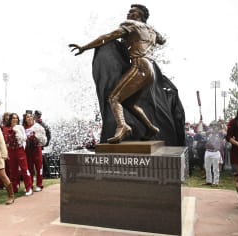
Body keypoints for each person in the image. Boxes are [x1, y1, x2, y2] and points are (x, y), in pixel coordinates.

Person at [69, 4, 166, 144]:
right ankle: (150, 128)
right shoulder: (152, 31)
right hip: (151, 72)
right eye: (129, 12)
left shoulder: (131, 25)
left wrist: (85, 47)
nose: (128, 14)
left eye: (132, 12)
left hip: (140, 65)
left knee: (114, 98)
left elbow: (108, 37)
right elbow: (162, 40)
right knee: (129, 103)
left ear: (139, 16)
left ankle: (123, 126)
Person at [6, 113, 33, 196]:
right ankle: (15, 187)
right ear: (10, 119)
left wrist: (18, 134)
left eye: (16, 118)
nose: (15, 119)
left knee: (24, 169)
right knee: (13, 171)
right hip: (10, 151)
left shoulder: (20, 127)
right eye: (13, 118)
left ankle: (29, 187)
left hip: (19, 150)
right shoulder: (6, 128)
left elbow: (24, 138)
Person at [24, 113, 47, 192]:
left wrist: (37, 140)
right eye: (27, 117)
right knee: (29, 168)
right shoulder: (23, 127)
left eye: (30, 116)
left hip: (37, 149)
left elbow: (43, 139)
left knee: (39, 167)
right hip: (28, 150)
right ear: (25, 119)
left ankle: (39, 185)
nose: (29, 118)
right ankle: (30, 185)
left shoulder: (38, 127)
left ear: (33, 118)